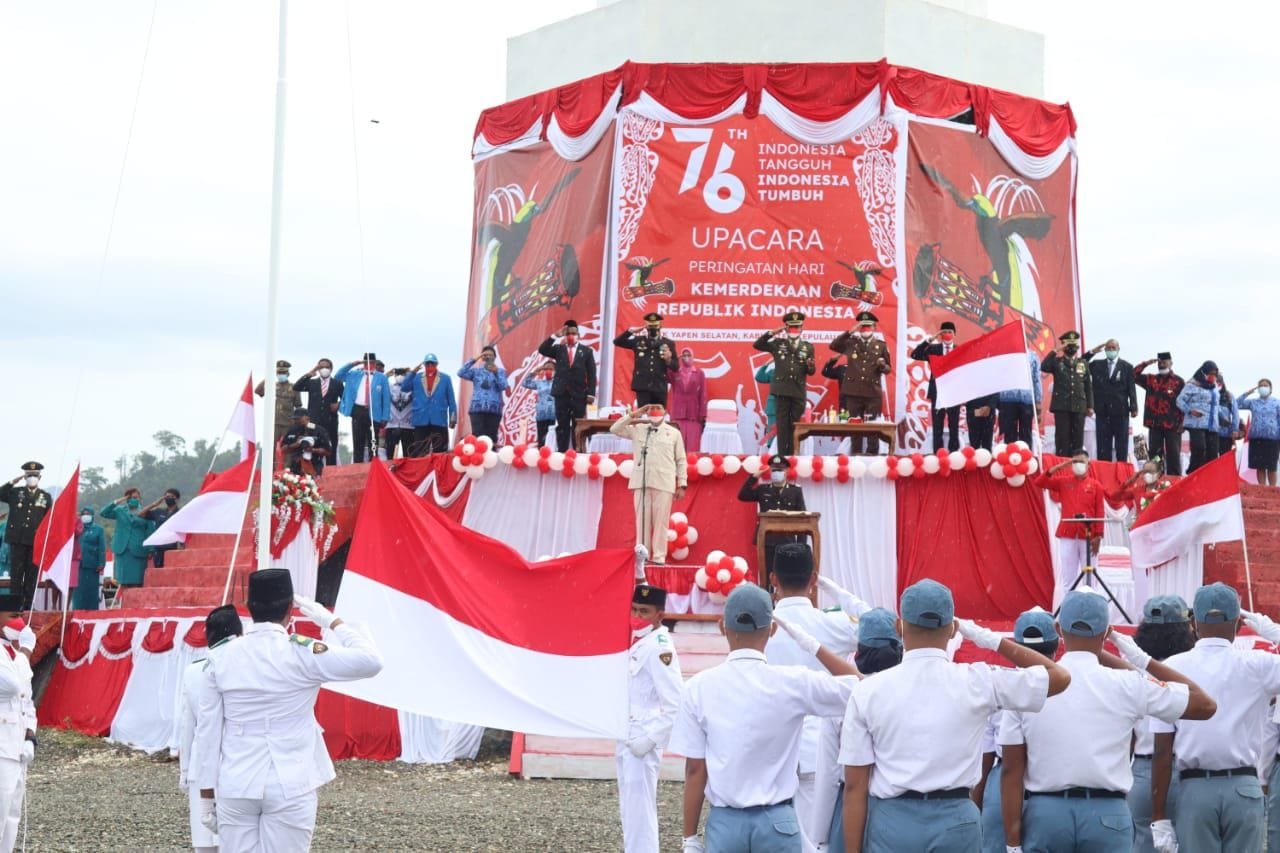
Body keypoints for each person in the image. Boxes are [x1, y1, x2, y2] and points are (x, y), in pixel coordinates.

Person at [838, 579, 1071, 853]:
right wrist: (992, 639)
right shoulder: (976, 681)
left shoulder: (868, 691)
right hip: (955, 820)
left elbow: (854, 787)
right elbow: (1060, 677)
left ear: (899, 627)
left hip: (893, 824)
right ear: (952, 630)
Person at [999, 590, 1215, 853]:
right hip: (1106, 814)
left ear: (1058, 629)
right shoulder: (1126, 683)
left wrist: (1012, 842)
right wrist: (1141, 661)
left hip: (1047, 813)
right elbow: (1204, 704)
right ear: (1105, 631)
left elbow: (1011, 769)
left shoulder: (1029, 684)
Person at [193, 569, 383, 852]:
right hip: (291, 779)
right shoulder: (302, 652)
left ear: (249, 607)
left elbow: (207, 731)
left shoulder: (220, 657)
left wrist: (206, 796)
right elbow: (371, 661)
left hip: (237, 779)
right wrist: (331, 621)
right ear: (289, 609)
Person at [670, 583, 856, 853]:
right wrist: (813, 647)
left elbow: (695, 769)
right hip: (777, 822)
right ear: (772, 629)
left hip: (726, 823)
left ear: (722, 627)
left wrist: (689, 838)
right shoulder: (793, 682)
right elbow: (862, 689)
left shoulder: (698, 687)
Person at [1150, 583, 1280, 852]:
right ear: (1237, 624)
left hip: (1195, 789)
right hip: (1243, 787)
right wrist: (1272, 631)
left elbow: (1162, 750)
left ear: (1195, 623)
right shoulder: (1256, 664)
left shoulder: (1172, 667)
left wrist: (1159, 817)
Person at [763, 544, 868, 847]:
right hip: (818, 749)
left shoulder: (762, 625)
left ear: (773, 578)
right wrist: (838, 592)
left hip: (771, 744)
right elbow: (881, 624)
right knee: (814, 841)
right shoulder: (834, 623)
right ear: (812, 579)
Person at [818, 607, 902, 853]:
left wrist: (820, 836)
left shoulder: (841, 696)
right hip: (898, 808)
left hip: (847, 809)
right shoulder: (910, 691)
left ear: (859, 651)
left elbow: (828, 773)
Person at [977, 608, 1059, 853]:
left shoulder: (997, 685)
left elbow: (985, 759)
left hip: (1000, 788)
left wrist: (976, 807)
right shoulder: (1069, 685)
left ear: (1016, 649)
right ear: (1056, 647)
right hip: (1052, 786)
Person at [1127, 595, 1197, 853]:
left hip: (1143, 774)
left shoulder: (1131, 672)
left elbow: (1127, 736)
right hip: (1187, 772)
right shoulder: (1191, 670)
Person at [618, 584, 684, 853]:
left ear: (659, 615)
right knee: (629, 809)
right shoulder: (640, 639)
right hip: (625, 732)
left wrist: (650, 740)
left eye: (644, 611)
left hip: (642, 737)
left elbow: (677, 703)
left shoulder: (659, 648)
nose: (637, 615)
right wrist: (638, 570)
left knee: (640, 811)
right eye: (634, 609)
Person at [178, 605, 243, 853]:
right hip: (238, 761)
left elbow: (187, 727)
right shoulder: (248, 663)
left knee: (205, 844)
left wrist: (184, 772)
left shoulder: (195, 671)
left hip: (202, 766)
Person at [610, 405, 687, 565]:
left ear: (665, 412)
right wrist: (634, 414)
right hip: (641, 482)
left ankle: (659, 557)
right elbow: (614, 429)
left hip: (664, 482)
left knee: (661, 523)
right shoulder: (639, 429)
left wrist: (682, 483)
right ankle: (643, 557)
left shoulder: (674, 433)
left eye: (658, 408)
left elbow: (681, 460)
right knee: (642, 522)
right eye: (651, 408)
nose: (654, 411)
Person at [1035, 453, 1104, 603]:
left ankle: (1090, 608)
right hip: (1068, 534)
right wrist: (1059, 467)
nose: (1078, 464)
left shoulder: (1096, 485)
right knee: (1069, 578)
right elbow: (1039, 482)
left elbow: (1099, 511)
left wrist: (1098, 535)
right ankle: (1067, 611)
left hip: (1089, 536)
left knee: (1090, 577)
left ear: (1088, 465)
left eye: (1081, 462)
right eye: (1075, 461)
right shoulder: (1064, 482)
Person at [754, 312, 817, 456]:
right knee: (782, 427)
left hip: (798, 391)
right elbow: (758, 344)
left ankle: (793, 455)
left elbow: (811, 371)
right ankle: (783, 458)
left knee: (794, 425)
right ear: (787, 328)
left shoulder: (808, 347)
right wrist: (773, 332)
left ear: (802, 328)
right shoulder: (778, 344)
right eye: (791, 327)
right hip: (781, 391)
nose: (794, 330)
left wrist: (811, 366)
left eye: (797, 327)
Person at [0, 607, 36, 853]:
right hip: (1, 748)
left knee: (13, 817)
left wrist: (30, 737)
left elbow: (27, 700)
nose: (19, 622)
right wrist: (25, 653)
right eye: (12, 615)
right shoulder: (11, 657)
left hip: (16, 747)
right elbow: (12, 686)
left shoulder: (10, 654)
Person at [738, 455, 807, 582]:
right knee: (767, 576)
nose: (777, 473)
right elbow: (742, 495)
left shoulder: (795, 491)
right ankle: (768, 600)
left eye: (780, 470)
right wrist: (754, 477)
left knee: (787, 577)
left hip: (788, 541)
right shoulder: (763, 489)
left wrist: (801, 546)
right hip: (767, 541)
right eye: (774, 470)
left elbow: (802, 519)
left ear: (786, 472)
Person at [829, 312, 891, 453]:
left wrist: (882, 365)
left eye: (868, 326)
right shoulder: (851, 342)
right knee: (855, 427)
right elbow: (833, 345)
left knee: (872, 427)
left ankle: (872, 454)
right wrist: (850, 332)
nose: (865, 329)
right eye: (862, 326)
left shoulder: (881, 346)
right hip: (853, 391)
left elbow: (888, 369)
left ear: (874, 327)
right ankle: (855, 454)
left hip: (872, 392)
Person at [539, 320, 597, 453]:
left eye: (573, 333)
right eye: (568, 333)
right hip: (561, 393)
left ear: (579, 335)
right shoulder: (559, 350)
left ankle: (578, 452)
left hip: (579, 394)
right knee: (562, 425)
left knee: (578, 425)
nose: (571, 335)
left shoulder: (587, 351)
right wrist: (555, 335)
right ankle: (562, 452)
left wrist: (590, 394)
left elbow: (592, 373)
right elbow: (542, 349)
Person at [0, 463, 51, 610]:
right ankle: (15, 606)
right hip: (17, 540)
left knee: (31, 576)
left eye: (35, 475)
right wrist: (13, 481)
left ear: (40, 477)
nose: (32, 478)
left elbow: (48, 518)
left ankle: (28, 606)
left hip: (35, 541)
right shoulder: (16, 492)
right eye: (29, 475)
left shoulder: (45, 496)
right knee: (16, 576)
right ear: (25, 477)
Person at [910, 321, 961, 452]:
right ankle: (938, 453)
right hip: (937, 391)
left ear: (954, 334)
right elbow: (915, 354)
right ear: (940, 334)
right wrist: (930, 339)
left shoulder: (959, 350)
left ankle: (954, 453)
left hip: (954, 392)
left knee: (953, 425)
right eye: (944, 332)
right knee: (937, 425)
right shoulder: (934, 349)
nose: (947, 334)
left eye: (950, 332)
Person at [1041, 330, 1094, 456]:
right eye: (1068, 345)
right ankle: (1062, 464)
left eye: (1073, 345)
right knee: (1062, 438)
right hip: (1061, 406)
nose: (1071, 348)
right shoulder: (1057, 362)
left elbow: (1088, 386)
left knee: (1078, 439)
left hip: (1079, 406)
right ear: (1064, 346)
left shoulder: (1083, 363)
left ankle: (1077, 465)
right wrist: (1055, 350)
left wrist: (1090, 406)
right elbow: (1044, 366)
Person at [1086, 338, 1139, 462]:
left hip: (1121, 412)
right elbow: (1081, 362)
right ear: (1105, 350)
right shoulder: (1096, 365)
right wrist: (1092, 352)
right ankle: (1105, 475)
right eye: (1108, 348)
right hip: (1102, 413)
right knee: (1103, 449)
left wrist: (1134, 407)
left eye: (1113, 348)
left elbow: (1131, 388)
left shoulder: (1127, 366)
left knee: (1122, 447)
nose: (1110, 350)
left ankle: (1121, 476)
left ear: (1118, 349)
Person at [1135, 352, 1186, 475]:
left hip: (1173, 426)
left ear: (1171, 363)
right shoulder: (1151, 379)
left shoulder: (1178, 382)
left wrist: (1183, 423)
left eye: (1165, 361)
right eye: (1159, 362)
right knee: (1155, 457)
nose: (1162, 364)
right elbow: (1133, 375)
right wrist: (1145, 364)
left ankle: (1174, 483)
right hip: (1155, 425)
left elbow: (1184, 404)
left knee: (1173, 456)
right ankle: (1156, 480)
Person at [614, 312, 679, 407]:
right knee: (643, 416)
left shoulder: (668, 343)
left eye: (655, 326)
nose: (652, 329)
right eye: (650, 326)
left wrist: (668, 360)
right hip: (642, 385)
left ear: (660, 326)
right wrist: (630, 331)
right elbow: (617, 342)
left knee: (658, 416)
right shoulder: (639, 340)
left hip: (659, 385)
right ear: (646, 327)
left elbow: (676, 367)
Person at [337, 353, 391, 464]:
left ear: (375, 363)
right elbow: (338, 376)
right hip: (358, 410)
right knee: (358, 442)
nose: (369, 365)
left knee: (373, 442)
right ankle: (357, 466)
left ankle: (374, 466)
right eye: (366, 362)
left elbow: (386, 398)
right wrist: (351, 364)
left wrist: (385, 417)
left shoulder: (382, 377)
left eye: (371, 362)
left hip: (374, 412)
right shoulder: (354, 374)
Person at [401, 354, 457, 457]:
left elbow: (451, 400)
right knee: (420, 452)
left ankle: (439, 472)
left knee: (440, 452)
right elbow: (404, 387)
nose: (430, 366)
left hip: (439, 419)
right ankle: (422, 472)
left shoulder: (445, 378)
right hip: (420, 419)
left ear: (437, 364)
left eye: (433, 363)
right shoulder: (416, 377)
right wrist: (412, 372)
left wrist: (453, 418)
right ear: (424, 364)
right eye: (427, 363)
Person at [100, 488, 157, 590]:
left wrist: (151, 549)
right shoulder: (120, 510)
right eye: (130, 497)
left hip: (138, 550)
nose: (133, 499)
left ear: (140, 498)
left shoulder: (146, 512)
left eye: (135, 497)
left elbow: (150, 531)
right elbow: (104, 513)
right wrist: (117, 501)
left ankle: (135, 605)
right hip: (122, 550)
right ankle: (124, 604)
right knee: (123, 581)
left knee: (137, 582)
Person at [457, 344, 509, 445]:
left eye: (491, 355)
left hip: (494, 409)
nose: (489, 357)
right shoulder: (476, 372)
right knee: (478, 437)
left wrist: (496, 372)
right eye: (486, 355)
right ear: (483, 357)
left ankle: (491, 459)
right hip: (477, 409)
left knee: (491, 438)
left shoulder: (500, 372)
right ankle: (478, 460)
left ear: (495, 357)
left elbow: (503, 386)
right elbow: (461, 372)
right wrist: (476, 359)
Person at [293, 359, 344, 461]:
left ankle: (331, 472)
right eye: (321, 367)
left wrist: (339, 404)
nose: (324, 369)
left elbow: (346, 398)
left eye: (327, 367)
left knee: (331, 448)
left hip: (330, 421)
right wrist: (310, 373)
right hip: (313, 422)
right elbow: (296, 387)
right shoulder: (312, 382)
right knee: (312, 445)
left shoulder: (337, 384)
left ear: (331, 369)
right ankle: (312, 473)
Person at [1176, 360, 1220, 473]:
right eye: (1210, 373)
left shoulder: (1214, 388)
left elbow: (1215, 405)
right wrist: (1190, 410)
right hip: (1196, 423)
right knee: (1199, 449)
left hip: (1212, 424)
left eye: (1215, 374)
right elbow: (1179, 401)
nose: (1213, 376)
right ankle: (1193, 472)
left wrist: (1222, 417)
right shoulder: (1192, 385)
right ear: (1203, 372)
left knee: (1213, 453)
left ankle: (1208, 476)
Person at [998, 351, 1043, 447]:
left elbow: (1036, 378)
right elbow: (999, 376)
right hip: (1007, 399)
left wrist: (1038, 399)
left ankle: (1026, 457)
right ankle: (1009, 457)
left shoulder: (1032, 355)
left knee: (1026, 432)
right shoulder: (1005, 354)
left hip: (1027, 399)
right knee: (1009, 433)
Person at [1240, 379, 1280, 486]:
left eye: (1265, 385)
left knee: (1272, 466)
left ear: (1270, 388)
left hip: (1273, 439)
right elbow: (1236, 404)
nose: (1263, 387)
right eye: (1261, 386)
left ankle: (1272, 489)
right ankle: (1262, 488)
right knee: (1260, 466)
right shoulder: (1253, 402)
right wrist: (1247, 393)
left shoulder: (1277, 403)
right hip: (1256, 438)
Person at [667, 347, 707, 453]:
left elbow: (703, 393)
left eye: (689, 355)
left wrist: (703, 414)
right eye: (684, 355)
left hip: (694, 414)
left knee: (693, 445)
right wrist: (673, 359)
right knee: (676, 444)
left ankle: (690, 467)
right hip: (677, 412)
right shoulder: (675, 372)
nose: (686, 358)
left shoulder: (699, 373)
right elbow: (665, 373)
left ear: (693, 357)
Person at [255, 360, 301, 448]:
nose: (281, 375)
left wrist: (296, 423)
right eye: (279, 372)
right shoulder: (272, 386)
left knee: (288, 447)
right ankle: (271, 462)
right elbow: (257, 391)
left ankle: (287, 463)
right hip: (273, 423)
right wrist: (268, 377)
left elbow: (298, 406)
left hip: (288, 423)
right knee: (270, 448)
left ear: (288, 374)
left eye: (283, 372)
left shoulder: (294, 387)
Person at [281, 408, 333, 477]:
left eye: (299, 418)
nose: (296, 421)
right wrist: (295, 445)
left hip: (314, 466)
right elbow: (283, 450)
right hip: (295, 467)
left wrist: (312, 450)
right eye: (295, 419)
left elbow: (328, 451)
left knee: (313, 486)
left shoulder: (319, 430)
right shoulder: (292, 430)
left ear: (307, 418)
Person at [72, 506, 106, 611]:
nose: (85, 516)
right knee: (78, 591)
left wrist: (101, 563)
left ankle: (92, 612)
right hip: (78, 564)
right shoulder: (76, 528)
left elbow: (102, 547)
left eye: (88, 514)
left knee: (91, 590)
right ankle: (77, 610)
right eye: (84, 514)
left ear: (92, 515)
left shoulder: (98, 529)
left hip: (92, 565)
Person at [520, 361, 558, 448]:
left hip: (554, 414)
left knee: (553, 439)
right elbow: (525, 383)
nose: (548, 371)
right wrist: (534, 372)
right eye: (546, 369)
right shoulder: (540, 382)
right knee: (542, 438)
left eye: (551, 369)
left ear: (555, 370)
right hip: (541, 414)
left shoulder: (558, 382)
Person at [143, 488, 181, 568]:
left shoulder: (180, 513)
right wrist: (154, 504)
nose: (168, 498)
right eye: (166, 496)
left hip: (173, 548)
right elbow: (141, 514)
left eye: (171, 496)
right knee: (159, 573)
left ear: (177, 499)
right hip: (158, 548)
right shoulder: (159, 511)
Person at [384, 368, 414, 460]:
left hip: (408, 426)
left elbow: (418, 381)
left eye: (403, 374)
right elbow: (379, 382)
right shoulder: (389, 387)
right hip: (391, 425)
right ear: (394, 376)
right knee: (389, 454)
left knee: (409, 455)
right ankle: (388, 472)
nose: (400, 376)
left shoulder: (412, 388)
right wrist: (387, 375)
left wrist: (411, 373)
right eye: (398, 374)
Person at [1211, 374, 1240, 460]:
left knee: (1225, 459)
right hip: (1210, 433)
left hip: (1225, 433)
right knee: (1211, 459)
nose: (1216, 385)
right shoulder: (1207, 394)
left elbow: (1235, 413)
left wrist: (1235, 429)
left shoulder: (1229, 395)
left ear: (1222, 383)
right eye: (1214, 382)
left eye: (1218, 382)